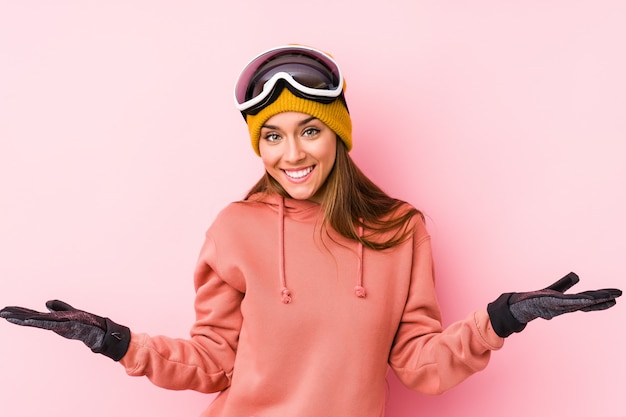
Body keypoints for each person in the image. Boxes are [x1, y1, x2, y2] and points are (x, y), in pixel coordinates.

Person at [0, 44, 622, 417]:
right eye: (272, 135)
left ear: (338, 135)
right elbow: (214, 363)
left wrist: (501, 320)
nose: (291, 153)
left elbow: (419, 365)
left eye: (310, 129)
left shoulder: (399, 230)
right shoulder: (235, 229)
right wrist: (118, 343)